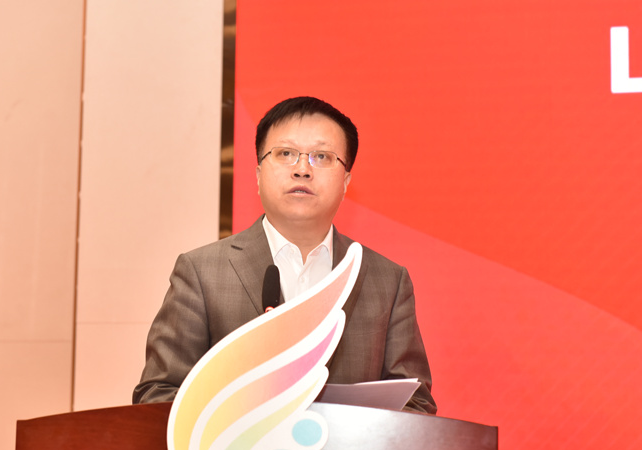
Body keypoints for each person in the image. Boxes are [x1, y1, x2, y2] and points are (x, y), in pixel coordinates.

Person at [132, 96, 436, 414]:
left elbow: (416, 404)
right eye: (286, 154)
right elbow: (158, 394)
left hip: (349, 449)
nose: (302, 169)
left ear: (346, 181)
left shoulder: (387, 281)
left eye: (322, 156)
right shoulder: (202, 272)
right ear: (258, 174)